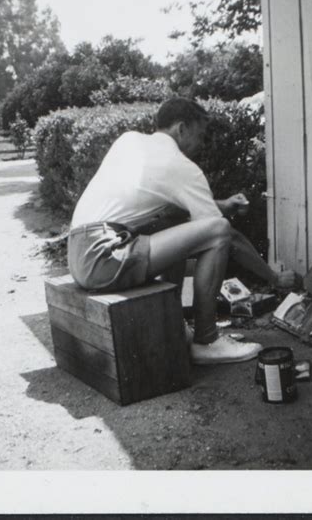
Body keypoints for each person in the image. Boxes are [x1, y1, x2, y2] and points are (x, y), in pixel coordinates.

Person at [68, 97, 297, 365]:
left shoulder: (129, 141)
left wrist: (224, 205)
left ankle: (175, 324)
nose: (201, 145)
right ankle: (207, 340)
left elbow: (176, 213)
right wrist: (274, 278)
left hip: (80, 253)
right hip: (105, 256)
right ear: (181, 129)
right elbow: (224, 235)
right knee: (220, 231)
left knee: (173, 226)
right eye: (200, 136)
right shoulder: (181, 166)